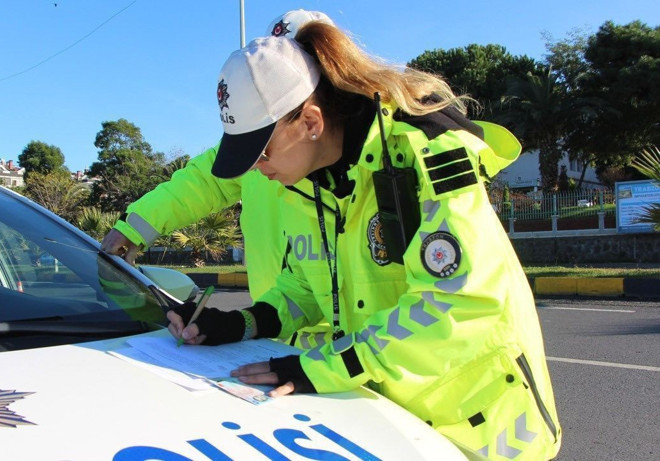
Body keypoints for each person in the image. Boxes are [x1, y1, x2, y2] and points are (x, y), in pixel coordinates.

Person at [167, 22, 562, 460]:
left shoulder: (424, 149)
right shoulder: (305, 184)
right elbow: (305, 288)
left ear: (311, 122)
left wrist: (325, 367)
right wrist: (239, 324)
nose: (256, 170)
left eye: (261, 153)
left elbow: (460, 300)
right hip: (387, 423)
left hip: (481, 431)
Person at [102, 9, 337, 349]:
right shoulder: (255, 148)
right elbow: (204, 182)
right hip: (271, 331)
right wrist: (137, 225)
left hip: (350, 348)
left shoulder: (370, 157)